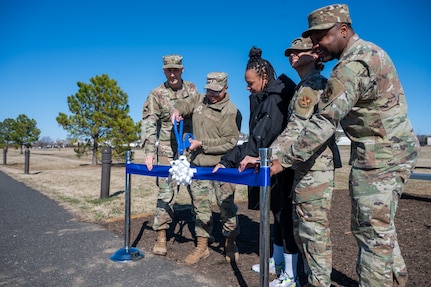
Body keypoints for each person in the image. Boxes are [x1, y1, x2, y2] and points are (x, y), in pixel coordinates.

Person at [240, 4, 420, 287]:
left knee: (370, 231)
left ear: (343, 30)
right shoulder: (367, 54)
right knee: (380, 229)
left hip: (380, 156)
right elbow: (298, 127)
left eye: (321, 37)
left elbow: (323, 123)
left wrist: (280, 161)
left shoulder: (351, 66)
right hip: (385, 152)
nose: (316, 45)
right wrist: (272, 156)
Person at [213, 47, 298, 280]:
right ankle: (278, 262)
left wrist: (228, 160)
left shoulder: (275, 100)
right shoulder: (264, 98)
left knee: (284, 218)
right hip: (271, 166)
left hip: (282, 167)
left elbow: (258, 140)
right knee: (276, 217)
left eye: (250, 83)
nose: (247, 88)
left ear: (264, 77)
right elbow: (255, 139)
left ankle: (291, 274)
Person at [268, 36, 342, 287]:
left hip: (315, 169)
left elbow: (295, 129)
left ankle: (318, 282)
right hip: (306, 167)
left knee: (313, 232)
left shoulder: (313, 85)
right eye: (290, 52)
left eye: (300, 51)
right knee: (305, 230)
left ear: (315, 55)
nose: (293, 55)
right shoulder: (304, 85)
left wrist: (267, 156)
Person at [170, 72, 242, 265]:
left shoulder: (230, 110)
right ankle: (202, 246)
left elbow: (230, 142)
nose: (212, 94)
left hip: (222, 168)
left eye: (216, 91)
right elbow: (184, 104)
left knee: (226, 207)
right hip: (198, 168)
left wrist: (202, 144)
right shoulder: (200, 100)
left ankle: (230, 242)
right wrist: (177, 110)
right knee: (200, 209)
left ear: (226, 88)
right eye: (209, 89)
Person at [141, 54, 199, 256]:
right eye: (169, 70)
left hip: (189, 146)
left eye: (176, 69)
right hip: (166, 148)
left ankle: (202, 240)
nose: (172, 73)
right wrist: (149, 151)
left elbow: (199, 114)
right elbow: (149, 122)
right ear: (164, 71)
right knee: (166, 192)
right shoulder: (156, 94)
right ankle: (161, 236)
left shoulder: (192, 89)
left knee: (198, 190)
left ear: (182, 70)